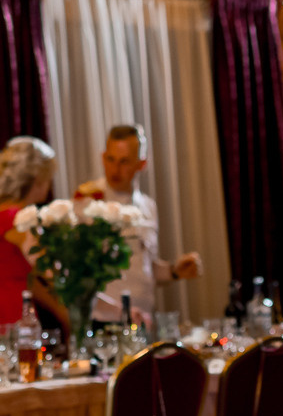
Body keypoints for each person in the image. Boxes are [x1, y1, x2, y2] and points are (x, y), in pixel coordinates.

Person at [74, 125, 203, 323]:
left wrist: (174, 271)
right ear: (103, 157)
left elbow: (142, 266)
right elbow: (77, 274)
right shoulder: (88, 201)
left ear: (142, 164)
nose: (115, 169)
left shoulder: (148, 206)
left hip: (142, 318)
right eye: (110, 159)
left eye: (124, 161)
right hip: (105, 320)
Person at [0, 136, 69, 351]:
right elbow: (47, 270)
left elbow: (27, 279)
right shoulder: (17, 219)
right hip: (6, 311)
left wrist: (60, 310)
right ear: (38, 179)